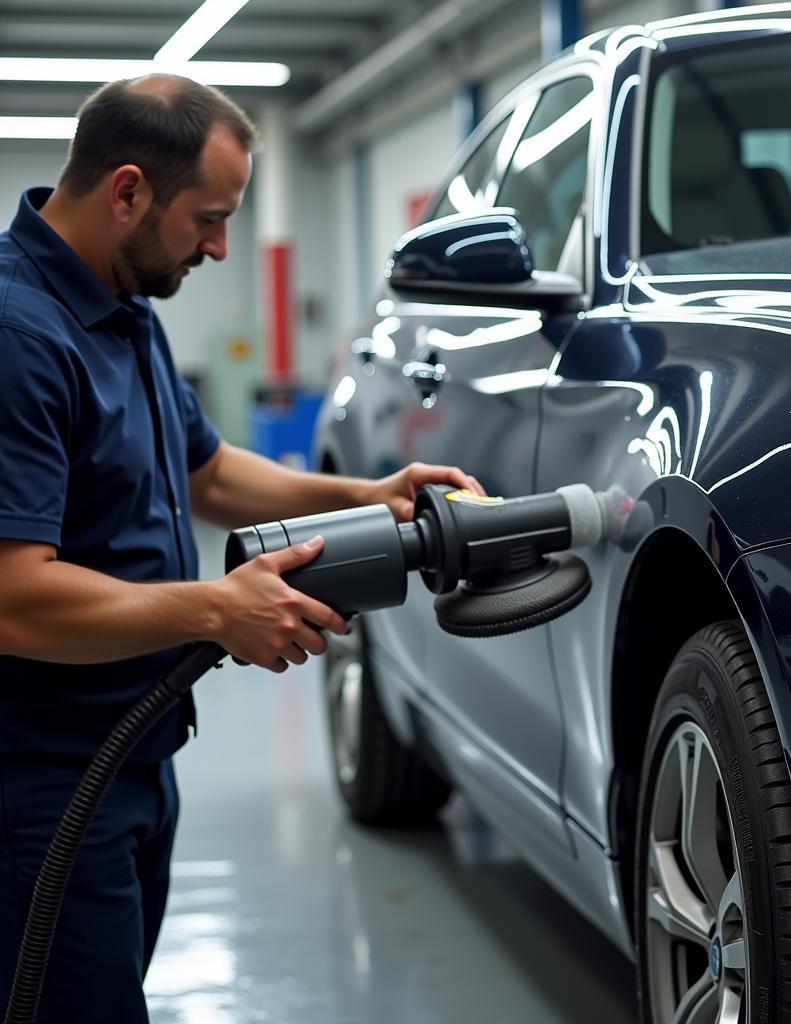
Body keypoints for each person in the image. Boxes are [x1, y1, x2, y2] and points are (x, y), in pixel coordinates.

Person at [0, 74, 481, 1023]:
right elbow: (13, 599)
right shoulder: (20, 337)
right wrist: (218, 610)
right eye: (208, 220)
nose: (221, 247)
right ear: (128, 190)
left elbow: (210, 472)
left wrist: (369, 496)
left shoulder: (120, 302)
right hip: (41, 782)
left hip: (131, 751)